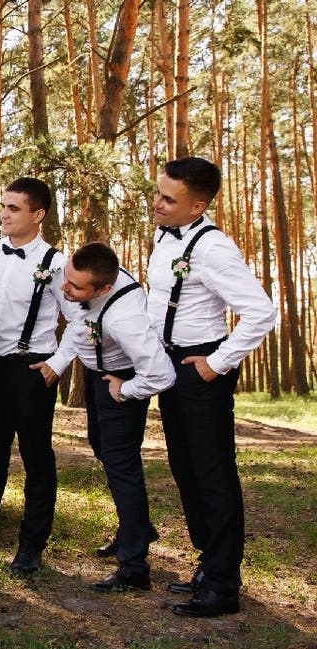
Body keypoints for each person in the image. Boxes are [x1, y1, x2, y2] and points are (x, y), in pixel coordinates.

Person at [148, 157, 274, 617]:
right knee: (184, 468)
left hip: (201, 367)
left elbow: (260, 312)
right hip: (170, 365)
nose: (156, 204)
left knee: (213, 473)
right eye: (158, 192)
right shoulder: (164, 236)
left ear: (197, 206)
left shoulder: (214, 248)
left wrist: (216, 363)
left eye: (168, 199)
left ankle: (223, 584)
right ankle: (208, 564)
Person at [36, 242, 175, 592]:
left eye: (76, 287)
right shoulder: (78, 283)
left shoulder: (123, 317)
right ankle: (137, 526)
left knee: (121, 465)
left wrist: (125, 390)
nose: (65, 289)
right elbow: (77, 325)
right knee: (102, 448)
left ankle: (134, 567)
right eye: (66, 279)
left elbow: (161, 374)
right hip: (99, 375)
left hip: (124, 379)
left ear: (104, 289)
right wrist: (59, 362)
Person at [0, 177, 72, 577]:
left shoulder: (55, 262)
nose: (3, 214)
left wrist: (57, 364)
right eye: (3, 207)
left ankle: (31, 545)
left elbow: (78, 320)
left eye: (14, 208)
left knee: (37, 459)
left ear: (38, 215)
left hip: (31, 368)